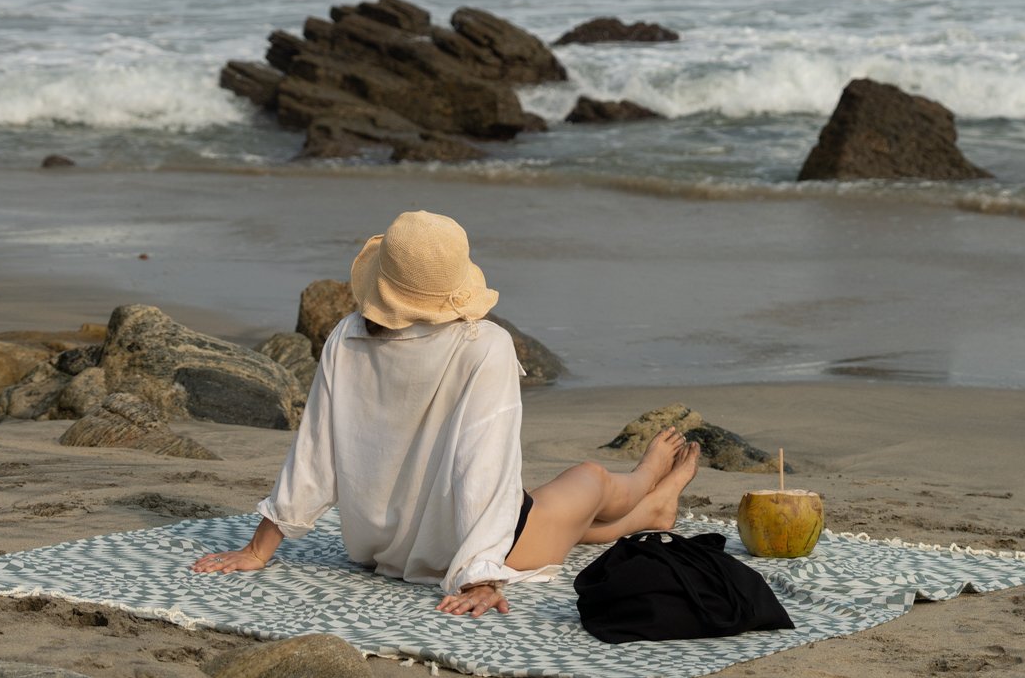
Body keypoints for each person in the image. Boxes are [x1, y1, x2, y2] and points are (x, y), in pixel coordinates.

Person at [189, 210, 701, 616]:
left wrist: (260, 548)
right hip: (473, 549)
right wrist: (480, 575)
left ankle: (650, 514)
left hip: (386, 549)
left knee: (558, 517)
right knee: (590, 480)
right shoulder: (484, 345)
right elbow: (484, 462)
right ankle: (644, 481)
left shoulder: (346, 337)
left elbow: (314, 452)